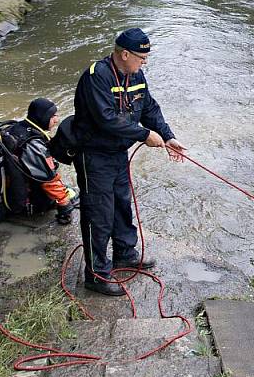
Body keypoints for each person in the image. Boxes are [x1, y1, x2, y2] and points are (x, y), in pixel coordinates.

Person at [72, 27, 186, 296]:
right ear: (124, 54)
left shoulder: (136, 76)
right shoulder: (96, 77)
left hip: (118, 154)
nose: (143, 63)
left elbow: (149, 109)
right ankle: (97, 274)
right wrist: (144, 135)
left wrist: (168, 137)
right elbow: (107, 119)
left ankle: (125, 252)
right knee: (98, 213)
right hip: (93, 155)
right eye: (140, 58)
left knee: (121, 204)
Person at [0, 97, 78, 224]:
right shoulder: (34, 144)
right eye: (53, 116)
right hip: (30, 202)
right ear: (43, 117)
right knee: (74, 194)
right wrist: (65, 206)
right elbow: (48, 179)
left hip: (9, 193)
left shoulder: (14, 128)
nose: (57, 120)